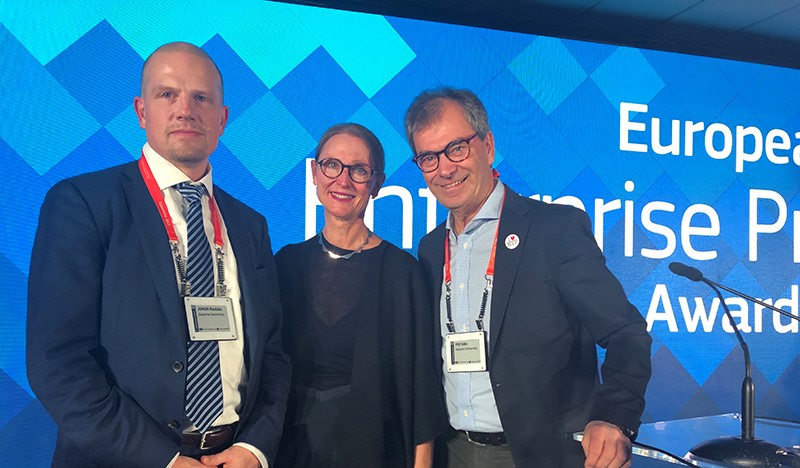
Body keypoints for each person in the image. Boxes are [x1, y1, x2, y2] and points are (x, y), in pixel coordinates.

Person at [26, 42, 290, 468]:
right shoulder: (83, 204)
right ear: (141, 111)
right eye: (167, 94)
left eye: (201, 97)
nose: (185, 109)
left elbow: (273, 354)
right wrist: (161, 459)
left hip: (231, 458)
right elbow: (57, 361)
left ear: (222, 119)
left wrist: (254, 448)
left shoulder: (249, 224)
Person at [404, 88, 652, 467]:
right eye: (428, 157)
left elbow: (626, 332)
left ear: (488, 145)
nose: (445, 168)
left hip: (538, 456)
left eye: (457, 148)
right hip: (452, 452)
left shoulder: (555, 230)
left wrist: (614, 417)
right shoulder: (430, 248)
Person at [273, 123, 448, 467]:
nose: (342, 180)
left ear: (376, 183)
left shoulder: (403, 273)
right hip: (290, 451)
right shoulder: (284, 264)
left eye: (358, 170)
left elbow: (422, 385)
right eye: (332, 165)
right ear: (314, 172)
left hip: (373, 450)